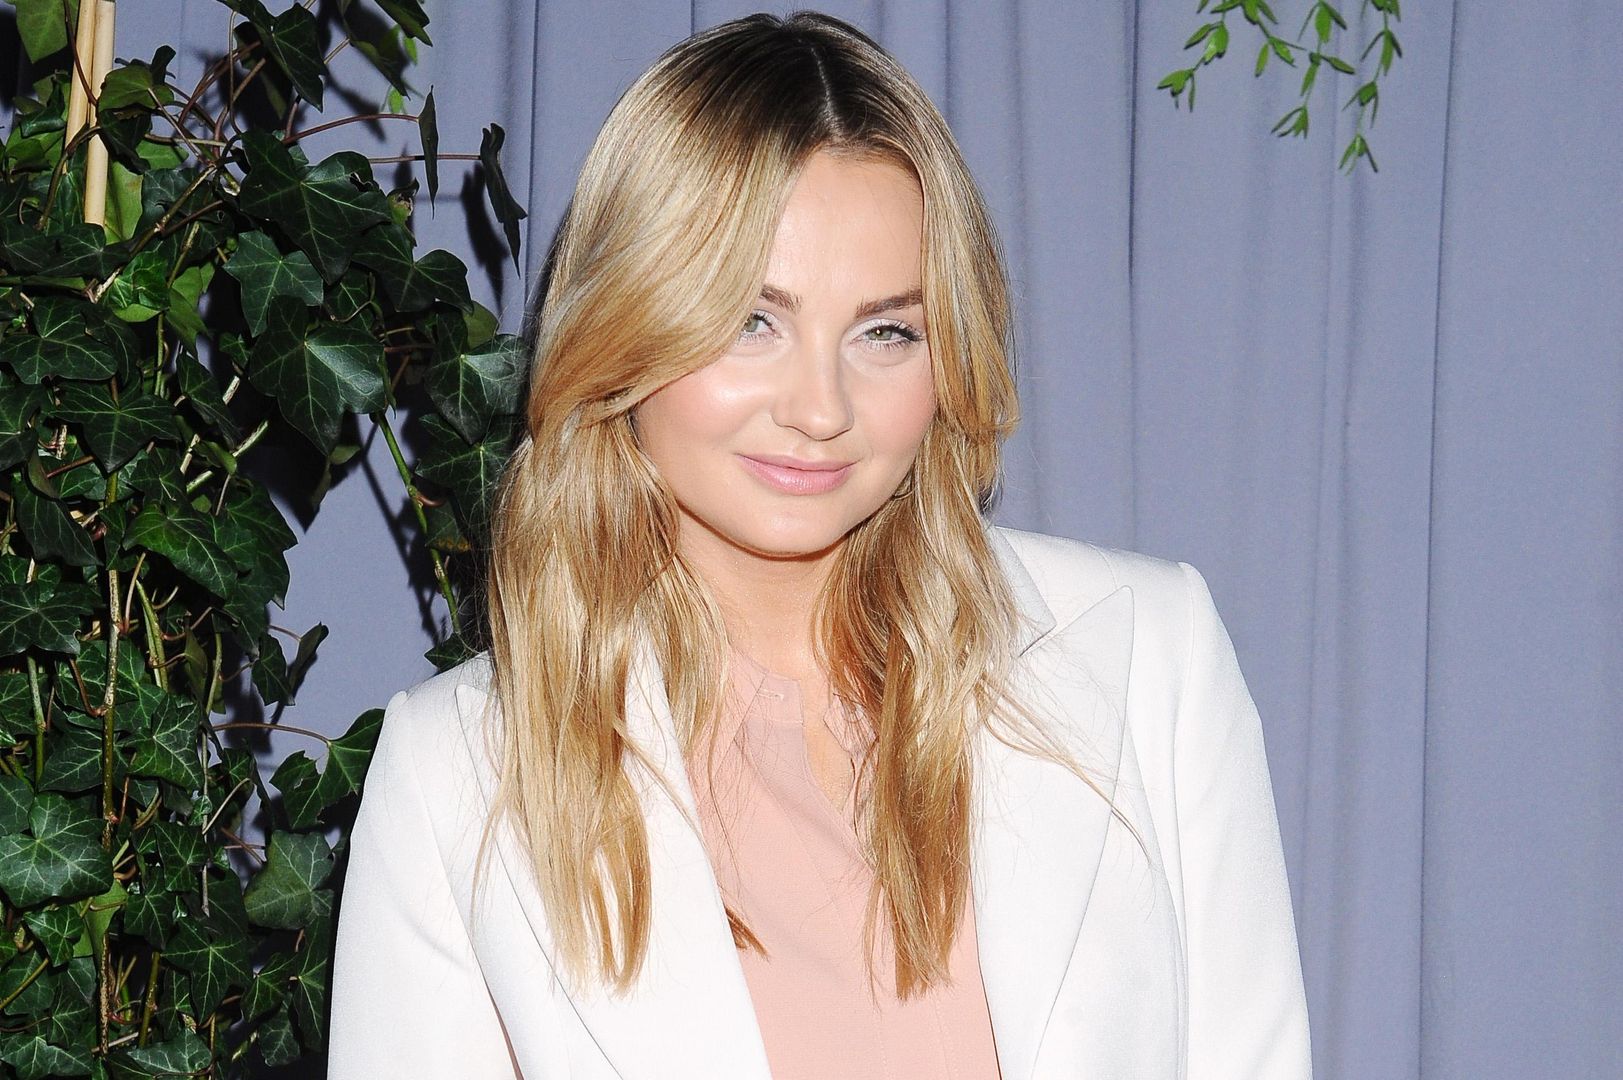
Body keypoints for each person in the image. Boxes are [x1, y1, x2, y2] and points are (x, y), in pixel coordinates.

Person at [328, 10, 1311, 1080]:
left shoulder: (1146, 660)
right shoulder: (459, 776)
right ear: (623, 327)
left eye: (886, 331)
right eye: (751, 321)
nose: (821, 407)